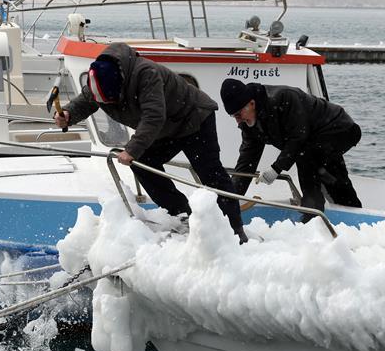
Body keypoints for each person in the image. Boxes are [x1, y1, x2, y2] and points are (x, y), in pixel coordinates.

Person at [54, 43, 248, 242]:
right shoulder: (99, 78)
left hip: (194, 118)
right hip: (168, 127)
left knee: (210, 172)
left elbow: (153, 117)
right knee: (143, 162)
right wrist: (68, 114)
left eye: (112, 101)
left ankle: (234, 230)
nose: (109, 105)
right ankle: (182, 215)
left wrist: (131, 149)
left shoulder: (146, 74)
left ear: (120, 85)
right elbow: (86, 100)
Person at [219, 78, 363, 216]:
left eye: (238, 114)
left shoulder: (284, 98)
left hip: (340, 128)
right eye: (233, 116)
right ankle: (343, 208)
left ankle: (313, 213)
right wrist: (231, 198)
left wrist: (276, 168)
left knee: (309, 160)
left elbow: (298, 137)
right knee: (319, 165)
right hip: (311, 140)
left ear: (251, 104)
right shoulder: (249, 125)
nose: (238, 121)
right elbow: (246, 162)